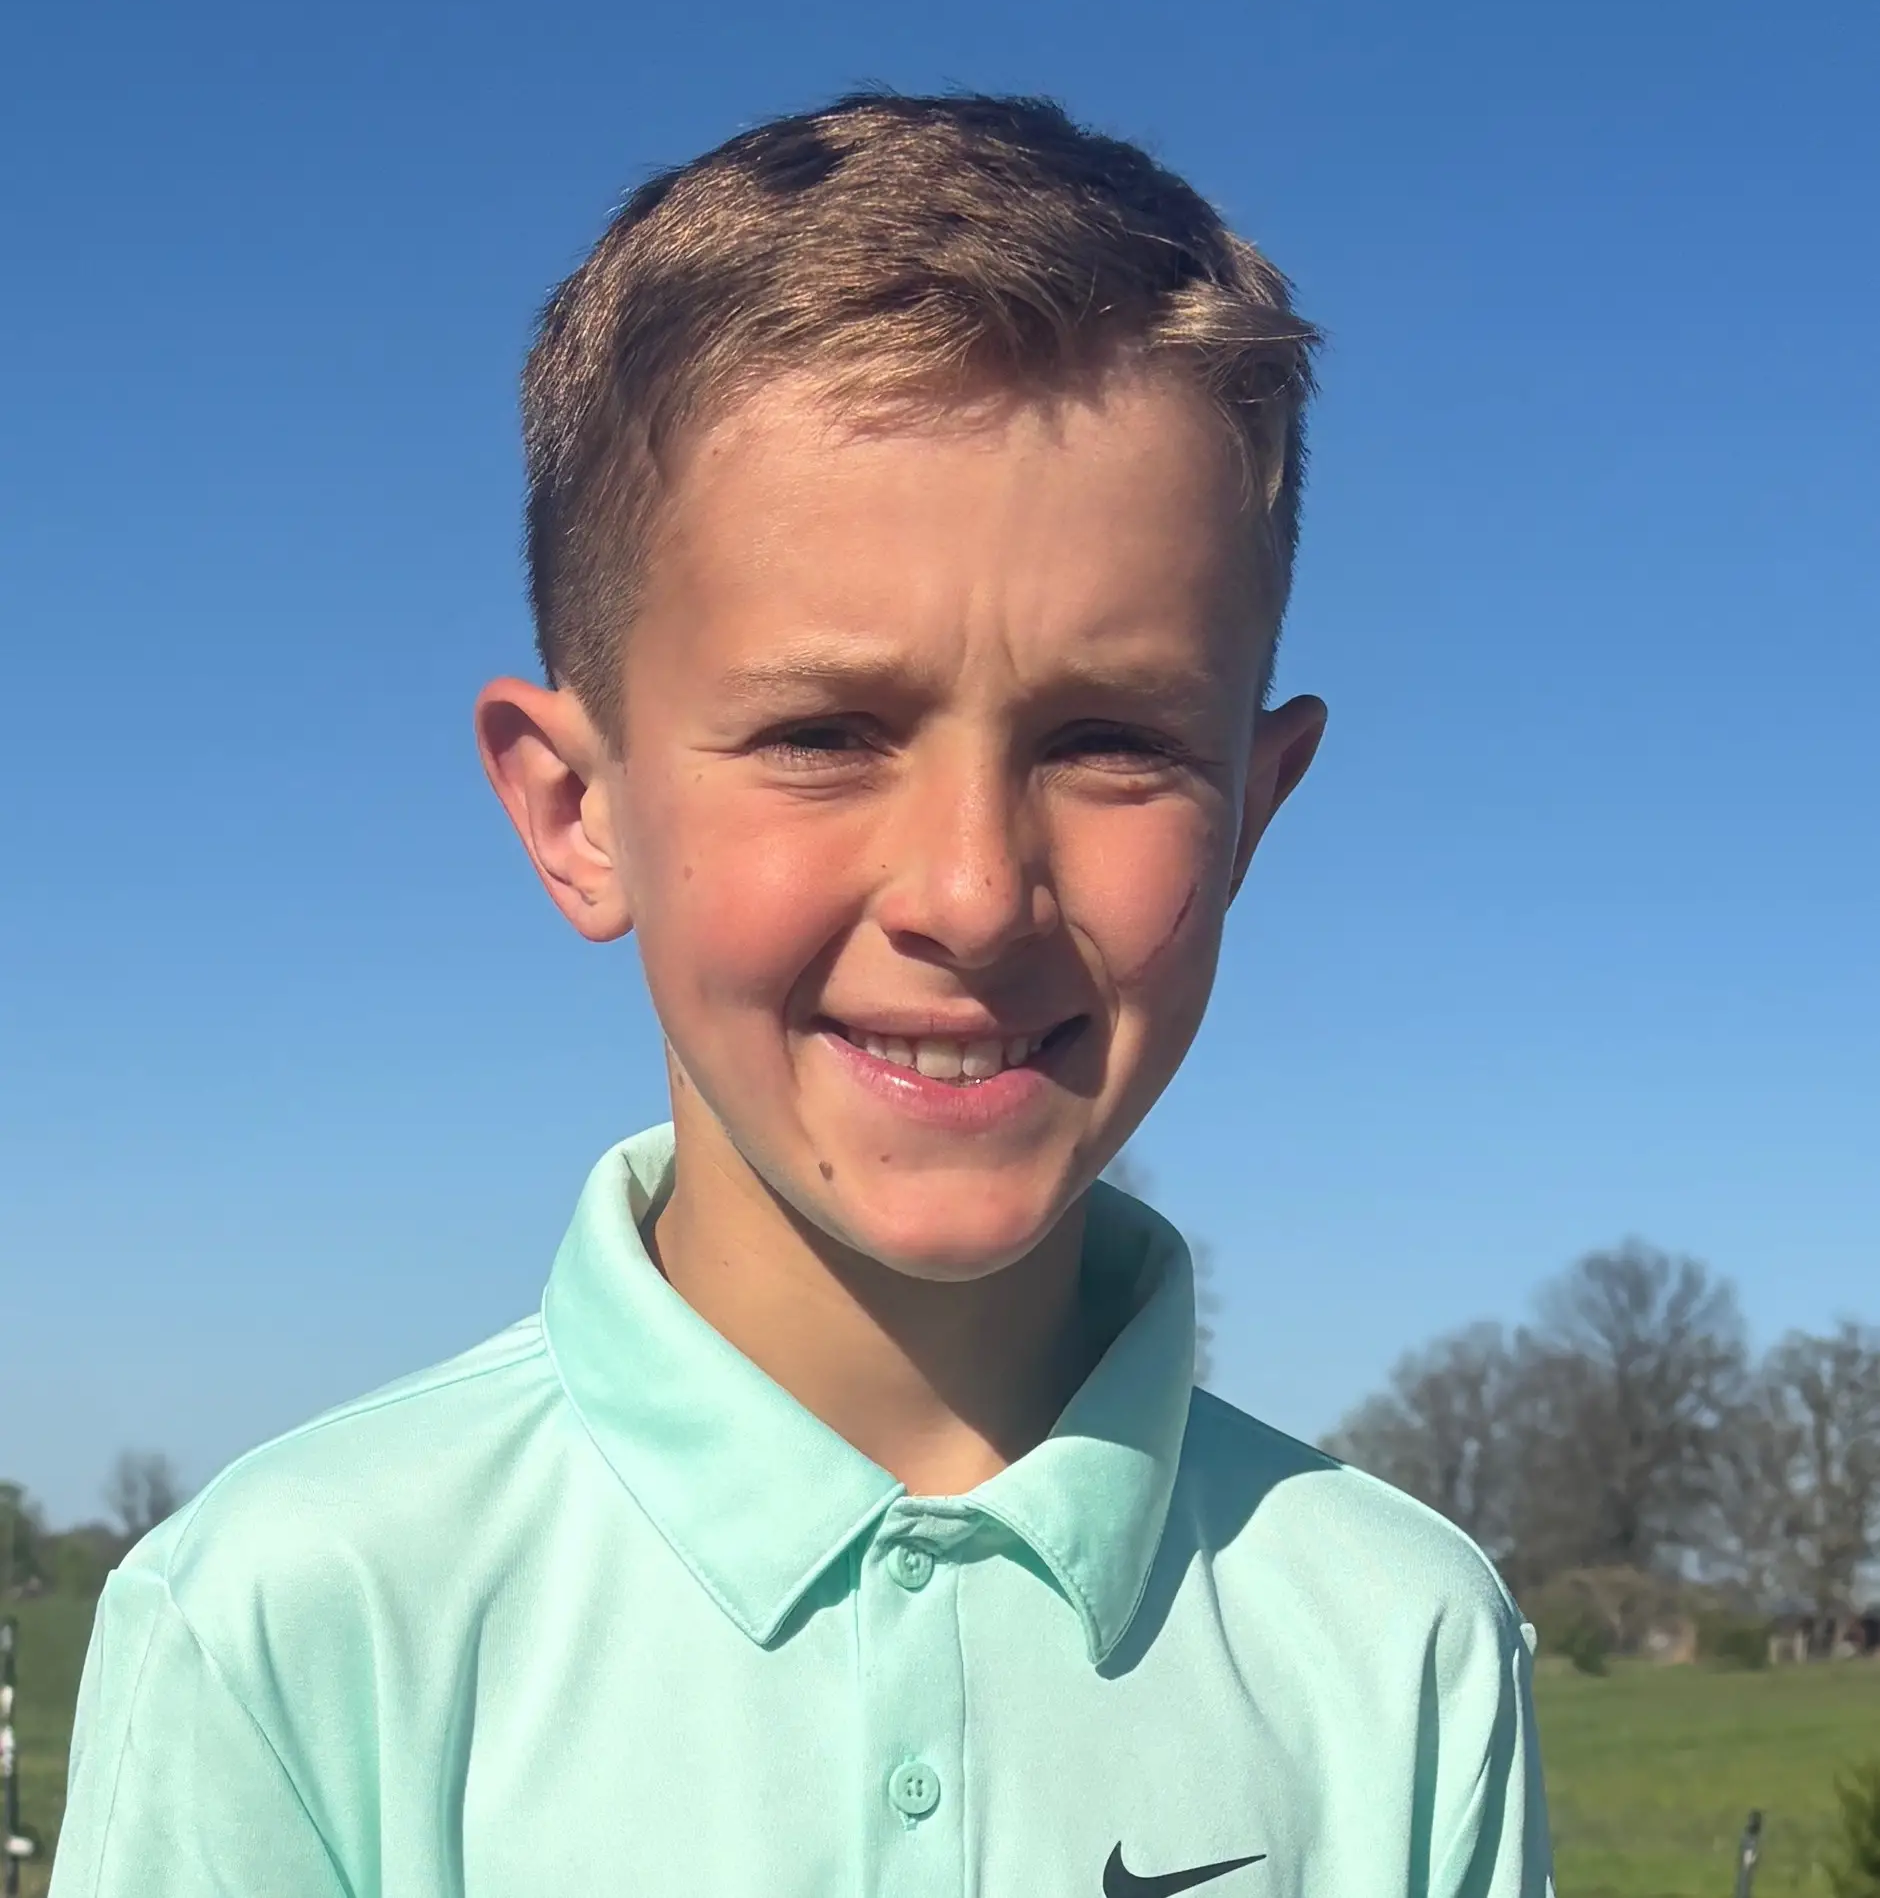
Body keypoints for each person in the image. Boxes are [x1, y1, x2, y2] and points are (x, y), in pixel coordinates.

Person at [53, 93, 1553, 1897]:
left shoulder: (1402, 1648)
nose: (973, 892)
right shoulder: (290, 1628)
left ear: (1255, 809)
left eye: (1111, 740)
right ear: (579, 812)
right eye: (826, 733)